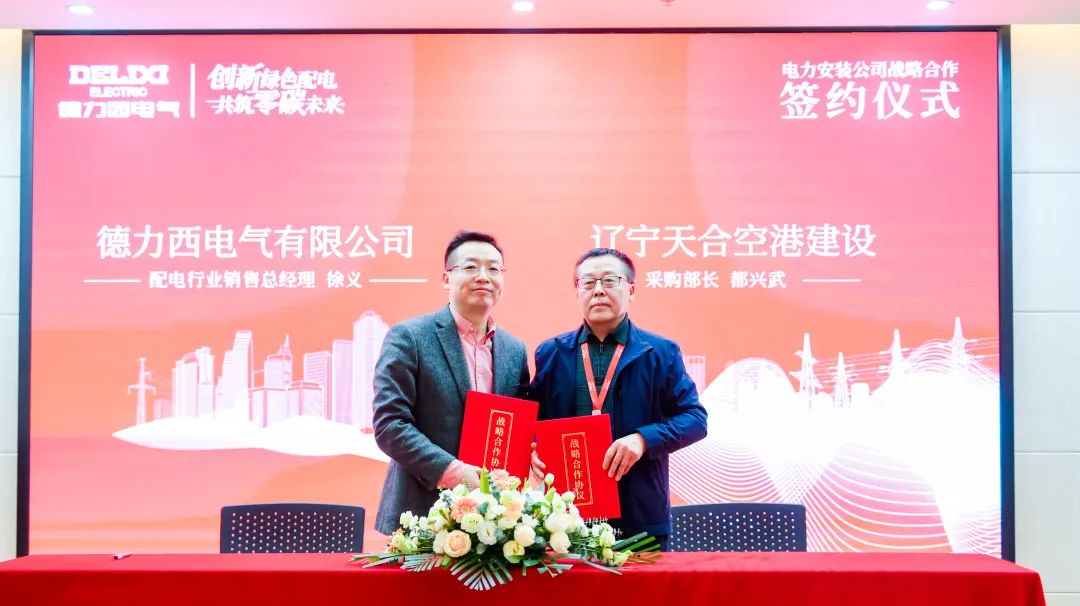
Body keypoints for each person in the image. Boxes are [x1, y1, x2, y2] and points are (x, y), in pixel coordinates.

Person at [528, 248, 707, 549]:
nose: (598, 290)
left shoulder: (660, 352)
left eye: (609, 281)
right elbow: (533, 419)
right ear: (577, 291)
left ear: (631, 290)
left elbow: (695, 420)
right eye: (588, 282)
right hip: (564, 519)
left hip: (640, 516)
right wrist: (531, 446)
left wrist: (643, 439)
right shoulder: (552, 353)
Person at [372, 230, 530, 535]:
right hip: (421, 515)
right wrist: (456, 473)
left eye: (493, 269)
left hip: (495, 522)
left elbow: (516, 427)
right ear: (447, 279)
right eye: (471, 267)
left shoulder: (514, 350)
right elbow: (389, 425)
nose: (483, 276)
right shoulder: (410, 337)